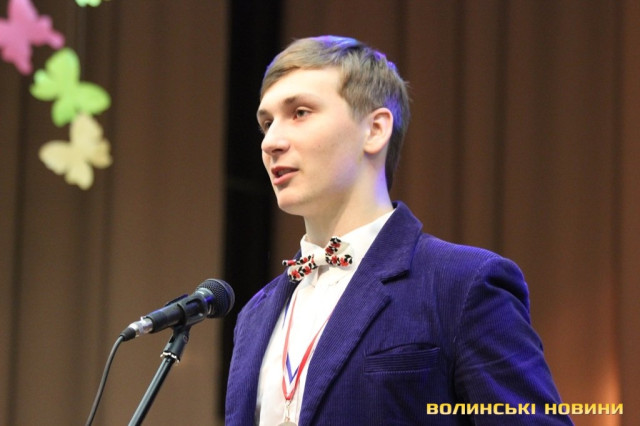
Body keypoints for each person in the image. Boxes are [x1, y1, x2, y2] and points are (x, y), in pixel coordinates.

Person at [225, 35, 572, 425]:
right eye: (266, 123)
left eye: (300, 112)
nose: (271, 142)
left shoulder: (463, 284)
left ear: (375, 129)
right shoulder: (254, 314)